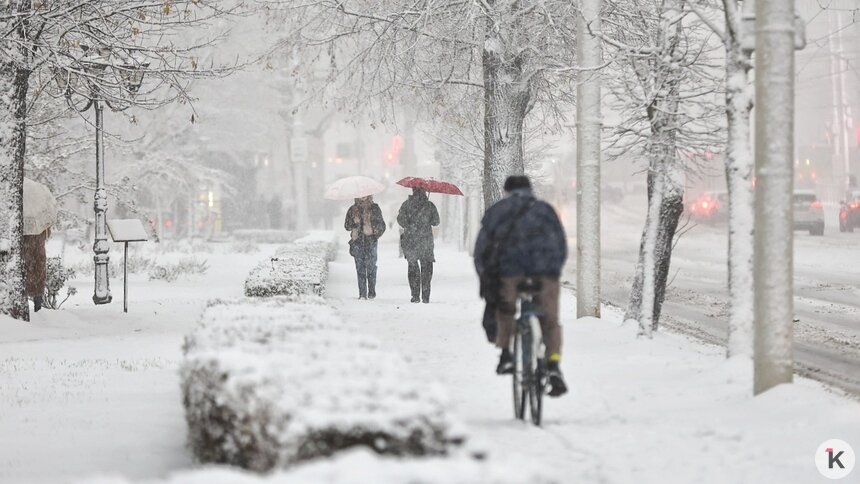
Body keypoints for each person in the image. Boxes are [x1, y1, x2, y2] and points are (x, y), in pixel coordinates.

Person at [474, 175, 568, 397]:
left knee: (505, 309)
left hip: (510, 272)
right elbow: (560, 244)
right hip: (544, 273)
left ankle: (506, 354)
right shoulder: (545, 210)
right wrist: (552, 271)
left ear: (507, 191)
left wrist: (486, 277)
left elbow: (482, 250)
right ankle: (553, 365)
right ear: (530, 189)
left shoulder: (497, 211)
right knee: (551, 320)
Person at [397, 187, 440, 303]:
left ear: (413, 191)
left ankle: (415, 296)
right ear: (425, 192)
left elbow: (401, 221)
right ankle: (426, 296)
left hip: (411, 241)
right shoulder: (429, 205)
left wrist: (411, 223)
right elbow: (436, 222)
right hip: (426, 241)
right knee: (427, 269)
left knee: (413, 268)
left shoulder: (406, 205)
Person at [344, 195, 386, 300]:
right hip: (357, 242)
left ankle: (371, 291)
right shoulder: (352, 209)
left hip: (371, 241)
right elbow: (346, 226)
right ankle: (362, 293)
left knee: (371, 267)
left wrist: (374, 232)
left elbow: (382, 225)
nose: (363, 196)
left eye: (365, 194)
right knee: (360, 268)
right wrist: (354, 223)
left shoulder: (374, 208)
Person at [23, 229, 50, 312]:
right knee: (38, 279)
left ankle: (31, 309)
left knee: (26, 278)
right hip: (38, 254)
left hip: (27, 252)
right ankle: (38, 309)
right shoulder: (41, 223)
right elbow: (47, 234)